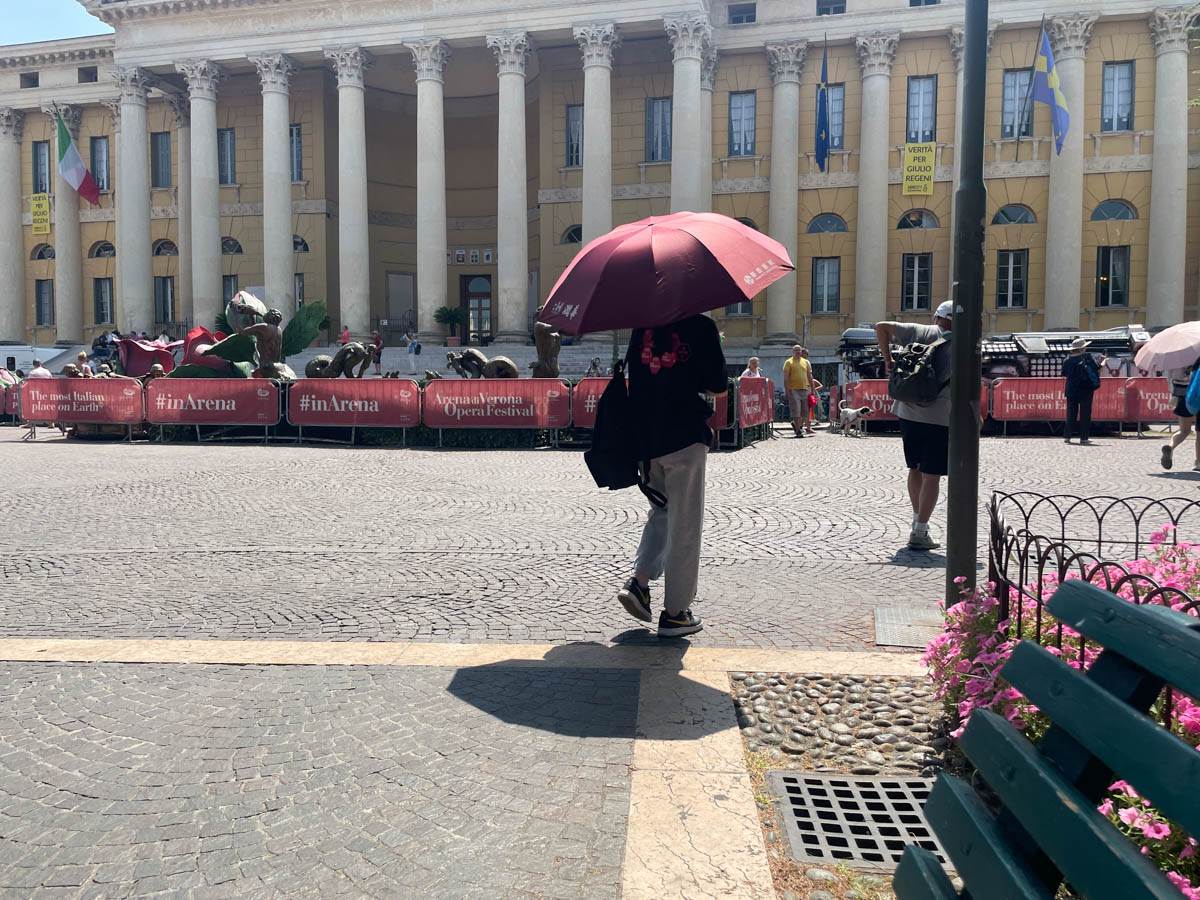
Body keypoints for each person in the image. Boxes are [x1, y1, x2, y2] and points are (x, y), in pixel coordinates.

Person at [616, 314, 727, 638]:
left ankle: (639, 582)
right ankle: (677, 613)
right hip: (684, 437)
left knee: (662, 512)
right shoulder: (701, 326)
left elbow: (636, 381)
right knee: (684, 526)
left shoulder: (642, 326)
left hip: (648, 441)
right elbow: (719, 386)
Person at [874, 300, 954, 552]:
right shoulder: (963, 342)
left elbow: (881, 326)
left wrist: (887, 359)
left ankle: (917, 520)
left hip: (907, 410)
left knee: (915, 469)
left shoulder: (920, 331)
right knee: (932, 475)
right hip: (939, 415)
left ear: (937, 317)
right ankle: (920, 530)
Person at [1162, 358, 1200, 472]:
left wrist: (1173, 395)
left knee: (1184, 430)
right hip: (1195, 394)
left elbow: (1169, 378)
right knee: (1199, 432)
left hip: (1181, 395)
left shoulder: (1174, 358)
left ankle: (1171, 446)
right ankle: (1198, 461)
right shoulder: (1196, 357)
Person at [1061, 338, 1100, 445]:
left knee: (1070, 414)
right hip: (1085, 389)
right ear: (1082, 348)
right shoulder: (1087, 358)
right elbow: (1095, 369)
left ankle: (1067, 436)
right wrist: (1102, 363)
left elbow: (1064, 373)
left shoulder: (1067, 360)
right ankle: (1084, 437)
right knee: (1085, 414)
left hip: (1071, 389)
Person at [783, 345, 814, 436]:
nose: (797, 352)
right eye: (796, 350)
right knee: (796, 409)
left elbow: (809, 376)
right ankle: (798, 430)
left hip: (805, 388)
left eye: (799, 350)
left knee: (804, 411)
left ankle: (797, 425)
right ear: (793, 351)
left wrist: (812, 388)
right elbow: (786, 378)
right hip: (793, 389)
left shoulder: (806, 362)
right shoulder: (788, 362)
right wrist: (787, 390)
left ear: (801, 352)